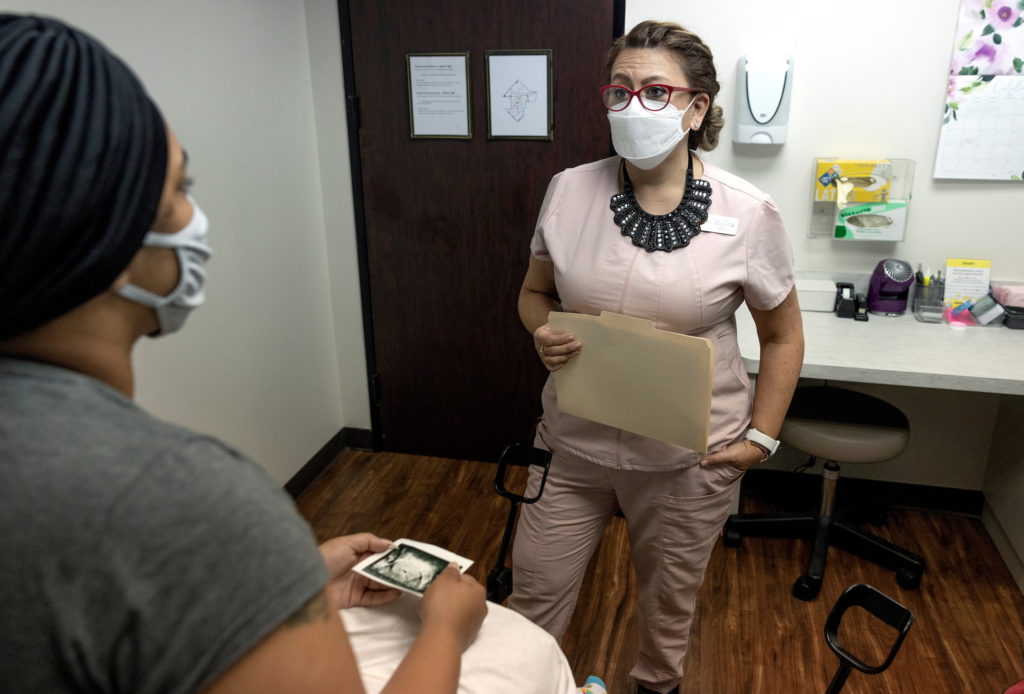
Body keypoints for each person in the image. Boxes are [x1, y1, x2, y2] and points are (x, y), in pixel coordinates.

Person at [0, 14, 583, 694]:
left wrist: (284, 580)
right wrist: (445, 630)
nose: (195, 219)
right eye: (180, 190)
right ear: (104, 229)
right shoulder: (179, 499)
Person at [509, 20, 805, 694]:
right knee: (535, 590)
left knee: (669, 604)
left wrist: (761, 439)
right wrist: (542, 331)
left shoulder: (748, 213)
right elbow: (533, 294)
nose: (632, 105)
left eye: (654, 91)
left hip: (687, 458)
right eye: (620, 90)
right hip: (574, 441)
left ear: (695, 108)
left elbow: (783, 336)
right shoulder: (569, 189)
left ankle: (656, 685)